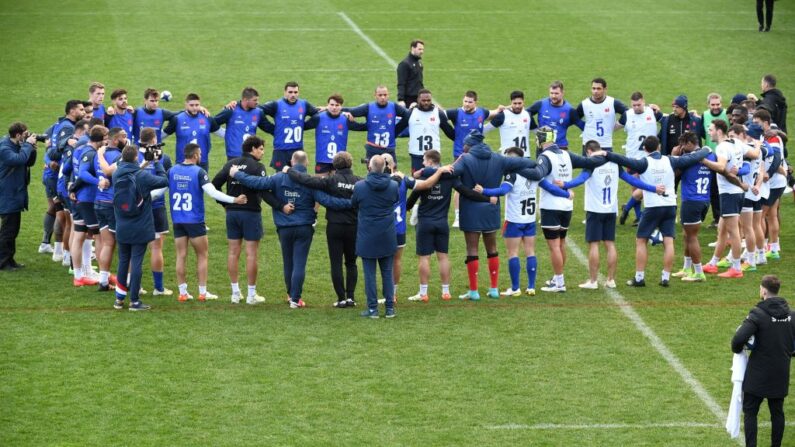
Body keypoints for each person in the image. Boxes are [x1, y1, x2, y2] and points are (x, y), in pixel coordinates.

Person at [231, 150, 351, 309]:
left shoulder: (278, 177)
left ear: (291, 162)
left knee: (288, 262)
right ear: (306, 163)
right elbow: (328, 201)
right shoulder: (310, 182)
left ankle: (291, 295)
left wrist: (237, 174)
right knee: (299, 263)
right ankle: (295, 298)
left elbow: (256, 183)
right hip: (304, 228)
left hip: (284, 227)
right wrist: (352, 203)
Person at [598, 136, 710, 287]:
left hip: (652, 207)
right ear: (659, 147)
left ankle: (639, 277)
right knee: (668, 242)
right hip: (670, 205)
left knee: (641, 240)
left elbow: (624, 160)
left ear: (645, 149)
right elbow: (693, 157)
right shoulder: (671, 160)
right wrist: (706, 149)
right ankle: (665, 278)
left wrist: (606, 154)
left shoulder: (644, 163)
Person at [448, 130, 542, 300]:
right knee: (492, 249)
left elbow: (451, 173)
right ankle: (493, 289)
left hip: (470, 209)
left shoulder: (465, 158)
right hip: (491, 208)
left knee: (472, 249)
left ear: (469, 145)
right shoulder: (499, 158)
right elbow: (529, 163)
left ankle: (474, 291)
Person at [561, 140, 658, 290]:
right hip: (611, 210)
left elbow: (580, 179)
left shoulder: (591, 163)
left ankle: (593, 281)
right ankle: (611, 280)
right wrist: (653, 188)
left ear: (588, 152)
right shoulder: (614, 163)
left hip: (594, 210)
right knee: (610, 244)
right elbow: (632, 180)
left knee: (594, 245)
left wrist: (565, 186)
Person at [475, 147, 570, 297]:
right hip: (530, 220)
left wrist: (484, 191)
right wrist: (566, 194)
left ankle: (515, 288)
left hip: (514, 220)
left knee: (513, 253)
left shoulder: (512, 175)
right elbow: (551, 188)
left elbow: (502, 191)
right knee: (530, 252)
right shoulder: (534, 174)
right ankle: (531, 287)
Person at [405, 150, 489, 302]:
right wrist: (486, 198)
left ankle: (423, 293)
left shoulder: (424, 177)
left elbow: (411, 199)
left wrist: (404, 208)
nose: (423, 163)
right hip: (442, 222)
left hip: (425, 223)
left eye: (424, 160)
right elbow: (466, 192)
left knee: (424, 258)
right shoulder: (450, 177)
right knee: (443, 257)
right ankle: (446, 292)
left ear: (430, 162)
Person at [533, 127, 608, 293]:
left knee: (554, 246)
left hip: (551, 206)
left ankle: (559, 282)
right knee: (561, 243)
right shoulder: (566, 154)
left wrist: (563, 192)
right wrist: (605, 155)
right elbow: (589, 162)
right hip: (567, 207)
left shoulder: (544, 157)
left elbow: (539, 177)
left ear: (541, 140)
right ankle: (556, 277)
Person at [169, 143, 246, 302]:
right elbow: (212, 192)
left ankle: (183, 292)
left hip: (177, 220)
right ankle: (202, 293)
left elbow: (158, 191)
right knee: (202, 255)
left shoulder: (172, 171)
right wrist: (234, 200)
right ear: (196, 155)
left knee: (181, 256)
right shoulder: (198, 172)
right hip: (195, 221)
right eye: (200, 154)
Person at [286, 151, 362, 308]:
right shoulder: (359, 182)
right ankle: (351, 298)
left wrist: (289, 170)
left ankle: (341, 298)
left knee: (336, 262)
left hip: (334, 226)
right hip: (354, 226)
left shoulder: (330, 180)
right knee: (351, 262)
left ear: (334, 165)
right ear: (351, 164)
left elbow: (306, 179)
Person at [731, 275, 795, 447]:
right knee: (777, 412)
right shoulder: (792, 315)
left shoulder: (757, 314)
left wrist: (739, 351)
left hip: (758, 374)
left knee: (750, 411)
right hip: (780, 372)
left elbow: (737, 340)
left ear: (764, 290)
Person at [111, 144, 169, 311]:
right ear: (136, 157)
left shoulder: (117, 174)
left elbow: (133, 171)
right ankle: (134, 301)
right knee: (136, 262)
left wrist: (145, 162)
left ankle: (119, 299)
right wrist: (157, 162)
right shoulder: (142, 177)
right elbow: (164, 180)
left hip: (122, 225)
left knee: (123, 261)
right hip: (140, 225)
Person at [212, 135, 268, 304]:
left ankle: (235, 293)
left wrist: (226, 203)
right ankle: (251, 295)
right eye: (261, 149)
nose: (263, 153)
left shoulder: (231, 163)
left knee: (233, 252)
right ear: (253, 149)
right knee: (251, 254)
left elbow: (214, 185)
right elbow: (263, 186)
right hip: (250, 213)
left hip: (232, 213)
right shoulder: (257, 166)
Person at [702, 121, 755, 278]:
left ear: (719, 131)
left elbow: (720, 167)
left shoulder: (722, 147)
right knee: (722, 231)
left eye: (711, 130)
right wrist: (758, 145)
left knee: (733, 232)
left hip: (729, 193)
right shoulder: (736, 142)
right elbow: (754, 154)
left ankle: (736, 268)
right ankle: (713, 263)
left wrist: (702, 160)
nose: (709, 132)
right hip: (736, 192)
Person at [352, 155, 400, 318]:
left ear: (370, 168)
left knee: (370, 274)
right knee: (387, 272)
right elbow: (395, 200)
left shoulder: (360, 186)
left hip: (367, 235)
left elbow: (354, 203)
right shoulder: (393, 185)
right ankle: (389, 308)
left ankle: (372, 308)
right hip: (386, 234)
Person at [445, 90, 501, 228]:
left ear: (475, 102)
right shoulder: (456, 113)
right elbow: (440, 115)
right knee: (459, 185)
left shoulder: (481, 112)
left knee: (478, 182)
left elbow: (493, 114)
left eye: (470, 102)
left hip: (478, 155)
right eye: (465, 101)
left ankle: (481, 210)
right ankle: (458, 216)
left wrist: (501, 109)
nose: (467, 104)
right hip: (460, 155)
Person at [673, 132, 717, 282]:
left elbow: (674, 170)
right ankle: (686, 268)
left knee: (691, 237)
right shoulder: (710, 156)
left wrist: (675, 154)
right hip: (704, 200)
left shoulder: (688, 159)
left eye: (683, 145)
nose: (682, 148)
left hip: (691, 201)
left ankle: (698, 272)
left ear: (690, 143)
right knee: (687, 235)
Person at [617, 91, 662, 226]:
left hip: (649, 157)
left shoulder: (652, 112)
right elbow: (614, 127)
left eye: (639, 105)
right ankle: (638, 217)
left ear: (644, 102)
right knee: (636, 186)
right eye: (634, 105)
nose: (636, 107)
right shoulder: (627, 115)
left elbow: (666, 121)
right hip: (632, 157)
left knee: (647, 187)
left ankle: (628, 207)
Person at [93, 127, 128, 291]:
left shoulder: (98, 154)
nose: (126, 139)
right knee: (123, 244)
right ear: (115, 140)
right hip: (112, 204)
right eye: (123, 137)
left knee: (107, 243)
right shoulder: (119, 157)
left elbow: (99, 173)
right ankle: (125, 282)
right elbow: (111, 173)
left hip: (99, 201)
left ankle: (103, 281)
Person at [0, 123, 38, 271]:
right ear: (17, 135)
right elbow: (18, 160)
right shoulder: (4, 148)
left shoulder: (15, 145)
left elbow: (29, 162)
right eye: (25, 134)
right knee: (8, 230)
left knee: (13, 229)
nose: (27, 136)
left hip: (14, 193)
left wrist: (32, 149)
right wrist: (28, 146)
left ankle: (10, 259)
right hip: (7, 193)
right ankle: (3, 262)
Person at [258, 81, 320, 170]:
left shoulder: (304, 104)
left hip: (298, 150)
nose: (293, 95)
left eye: (295, 92)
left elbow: (317, 115)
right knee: (281, 180)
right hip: (281, 151)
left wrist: (305, 126)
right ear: (285, 92)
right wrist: (271, 128)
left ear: (299, 93)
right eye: (290, 92)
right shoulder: (276, 105)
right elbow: (258, 110)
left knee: (299, 178)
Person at [343, 85, 411, 163]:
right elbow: (352, 111)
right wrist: (341, 111)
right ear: (375, 95)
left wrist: (396, 130)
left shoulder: (394, 107)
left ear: (388, 95)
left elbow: (407, 115)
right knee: (372, 174)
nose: (383, 97)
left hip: (389, 149)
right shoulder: (368, 107)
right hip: (372, 149)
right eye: (380, 95)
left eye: (385, 95)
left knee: (391, 173)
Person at [303, 93, 366, 175]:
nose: (334, 107)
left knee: (336, 187)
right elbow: (302, 126)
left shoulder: (346, 119)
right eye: (331, 105)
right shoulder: (318, 118)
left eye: (337, 105)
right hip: (322, 160)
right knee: (320, 186)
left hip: (339, 162)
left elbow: (362, 127)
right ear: (327, 105)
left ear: (341, 106)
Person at [753, 109, 786, 260]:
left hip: (773, 182)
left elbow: (777, 158)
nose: (755, 124)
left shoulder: (772, 137)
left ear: (765, 122)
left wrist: (768, 173)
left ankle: (763, 248)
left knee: (761, 215)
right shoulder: (767, 135)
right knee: (772, 215)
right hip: (777, 182)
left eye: (757, 122)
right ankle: (774, 248)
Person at [162, 93, 222, 172]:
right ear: (186, 105)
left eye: (197, 105)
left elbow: (221, 133)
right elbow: (162, 135)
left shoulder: (207, 118)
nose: (194, 108)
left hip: (202, 162)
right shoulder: (177, 119)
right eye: (192, 105)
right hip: (182, 162)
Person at [214, 87, 271, 160]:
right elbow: (212, 123)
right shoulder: (231, 110)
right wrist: (225, 133)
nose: (257, 102)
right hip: (234, 156)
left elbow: (269, 128)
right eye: (255, 100)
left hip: (251, 156)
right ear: (245, 100)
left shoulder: (258, 112)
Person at [575, 77, 628, 154]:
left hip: (605, 144)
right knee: (588, 166)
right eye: (593, 88)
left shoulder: (612, 103)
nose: (595, 91)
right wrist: (584, 127)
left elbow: (628, 113)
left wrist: (619, 124)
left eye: (598, 89)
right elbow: (575, 118)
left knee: (609, 166)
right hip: (589, 145)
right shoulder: (584, 104)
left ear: (605, 89)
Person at [528, 80, 580, 150]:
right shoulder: (541, 104)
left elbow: (582, 124)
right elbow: (527, 112)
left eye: (556, 93)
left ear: (562, 93)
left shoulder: (569, 110)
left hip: (560, 147)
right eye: (551, 93)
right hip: (542, 147)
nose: (553, 96)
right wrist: (535, 129)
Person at [484, 90, 532, 154]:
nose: (517, 106)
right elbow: (485, 129)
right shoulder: (503, 115)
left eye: (519, 103)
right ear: (511, 102)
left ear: (523, 102)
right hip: (508, 158)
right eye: (515, 103)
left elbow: (536, 130)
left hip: (525, 157)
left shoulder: (527, 114)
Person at [396, 39, 424, 108]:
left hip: (419, 97)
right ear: (412, 48)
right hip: (409, 99)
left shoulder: (419, 63)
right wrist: (401, 99)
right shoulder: (404, 64)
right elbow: (401, 83)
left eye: (422, 49)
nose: (422, 52)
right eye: (419, 49)